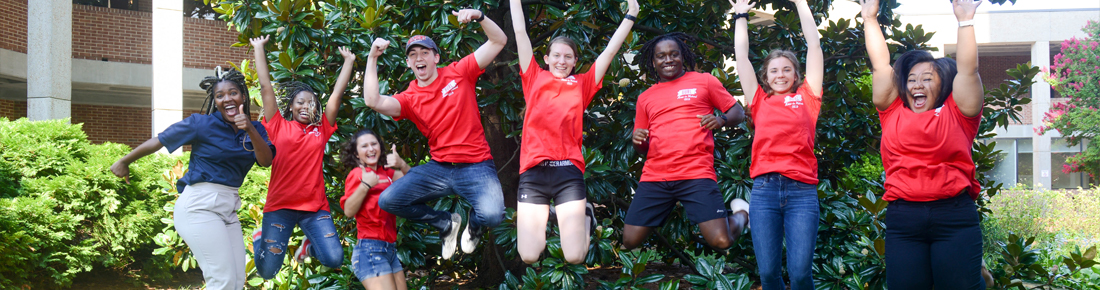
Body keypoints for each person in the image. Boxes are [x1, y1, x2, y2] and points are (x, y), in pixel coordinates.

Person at [361, 9, 508, 260]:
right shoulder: (409, 99)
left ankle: (474, 225)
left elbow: (498, 41)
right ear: (409, 63)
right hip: (439, 169)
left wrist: (479, 16)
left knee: (493, 215)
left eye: (425, 52)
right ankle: (446, 224)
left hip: (476, 165)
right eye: (413, 55)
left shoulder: (460, 72)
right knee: (389, 201)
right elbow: (372, 100)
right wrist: (372, 57)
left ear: (436, 57)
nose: (419, 58)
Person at [110, 68, 275, 290]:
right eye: (219, 95)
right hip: (199, 206)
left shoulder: (256, 129)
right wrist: (124, 161)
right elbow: (160, 140)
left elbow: (265, 161)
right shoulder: (201, 124)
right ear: (214, 100)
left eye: (233, 93)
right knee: (222, 281)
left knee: (236, 281)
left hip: (229, 208)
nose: (227, 98)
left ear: (243, 96)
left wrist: (250, 130)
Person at [862, 0, 986, 288]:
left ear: (944, 86)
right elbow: (881, 65)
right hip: (904, 219)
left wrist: (965, 21)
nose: (917, 85)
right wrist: (869, 19)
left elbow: (968, 71)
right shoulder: (892, 111)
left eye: (927, 79)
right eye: (912, 79)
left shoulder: (959, 113)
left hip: (953, 216)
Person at [508, 0, 638, 264]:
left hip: (568, 172)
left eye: (568, 57)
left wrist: (631, 15)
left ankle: (586, 216)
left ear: (576, 61)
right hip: (533, 173)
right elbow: (520, 32)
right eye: (556, 55)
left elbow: (610, 51)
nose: (561, 61)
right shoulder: (533, 77)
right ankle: (560, 218)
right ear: (546, 59)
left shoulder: (582, 84)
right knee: (529, 255)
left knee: (575, 256)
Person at [624, 32, 749, 251]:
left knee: (722, 241)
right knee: (630, 240)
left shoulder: (704, 81)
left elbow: (737, 112)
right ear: (653, 62)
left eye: (674, 54)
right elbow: (642, 147)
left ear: (683, 56)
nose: (668, 59)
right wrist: (638, 140)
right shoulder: (646, 97)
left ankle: (742, 214)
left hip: (695, 174)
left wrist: (721, 120)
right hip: (656, 176)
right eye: (661, 56)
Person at [731, 0, 823, 289]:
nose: (780, 75)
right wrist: (741, 16)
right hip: (765, 192)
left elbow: (814, 46)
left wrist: (800, 2)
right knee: (769, 275)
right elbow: (741, 56)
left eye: (786, 70)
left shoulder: (808, 98)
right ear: (766, 77)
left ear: (796, 74)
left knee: (799, 275)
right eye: (774, 71)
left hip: (801, 194)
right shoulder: (759, 100)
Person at [246, 36, 356, 277]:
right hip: (280, 207)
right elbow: (266, 88)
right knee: (267, 272)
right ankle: (258, 240)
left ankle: (309, 245)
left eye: (311, 103)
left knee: (334, 257)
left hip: (314, 208)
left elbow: (337, 95)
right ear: (292, 106)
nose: (306, 106)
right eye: (300, 102)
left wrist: (348, 61)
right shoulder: (277, 125)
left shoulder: (321, 129)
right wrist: (258, 48)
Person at [340, 129, 411, 290]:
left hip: (390, 249)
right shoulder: (358, 174)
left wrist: (402, 164)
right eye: (364, 146)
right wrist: (365, 185)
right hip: (370, 250)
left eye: (374, 144)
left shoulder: (387, 173)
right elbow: (348, 211)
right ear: (357, 154)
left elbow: (415, 184)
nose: (371, 149)